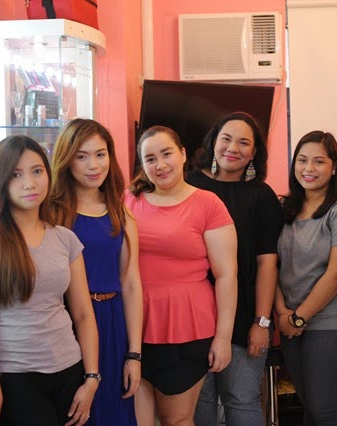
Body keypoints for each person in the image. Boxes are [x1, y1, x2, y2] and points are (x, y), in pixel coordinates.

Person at [0, 119, 144, 425]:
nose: (93, 165)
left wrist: (130, 356)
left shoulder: (102, 219)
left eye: (100, 154)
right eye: (82, 156)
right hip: (29, 357)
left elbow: (130, 282)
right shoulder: (48, 212)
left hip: (95, 333)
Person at [126, 126, 238, 426]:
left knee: (176, 420)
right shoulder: (128, 201)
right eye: (150, 159)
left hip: (188, 326)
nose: (160, 165)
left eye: (167, 154)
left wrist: (223, 338)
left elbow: (227, 275)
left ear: (183, 154)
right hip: (134, 326)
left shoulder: (208, 204)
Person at [188, 112, 283, 425]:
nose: (233, 148)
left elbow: (267, 263)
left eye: (244, 143)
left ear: (254, 153)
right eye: (226, 139)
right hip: (194, 314)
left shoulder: (262, 197)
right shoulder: (189, 186)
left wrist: (262, 322)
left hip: (244, 314)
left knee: (241, 400)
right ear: (213, 141)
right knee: (199, 403)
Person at [275, 131, 337, 425]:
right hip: (290, 321)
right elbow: (273, 264)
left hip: (330, 323)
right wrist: (282, 313)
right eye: (302, 160)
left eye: (319, 161)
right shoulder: (285, 207)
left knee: (324, 408)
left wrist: (299, 318)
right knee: (309, 408)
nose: (308, 168)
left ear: (334, 167)